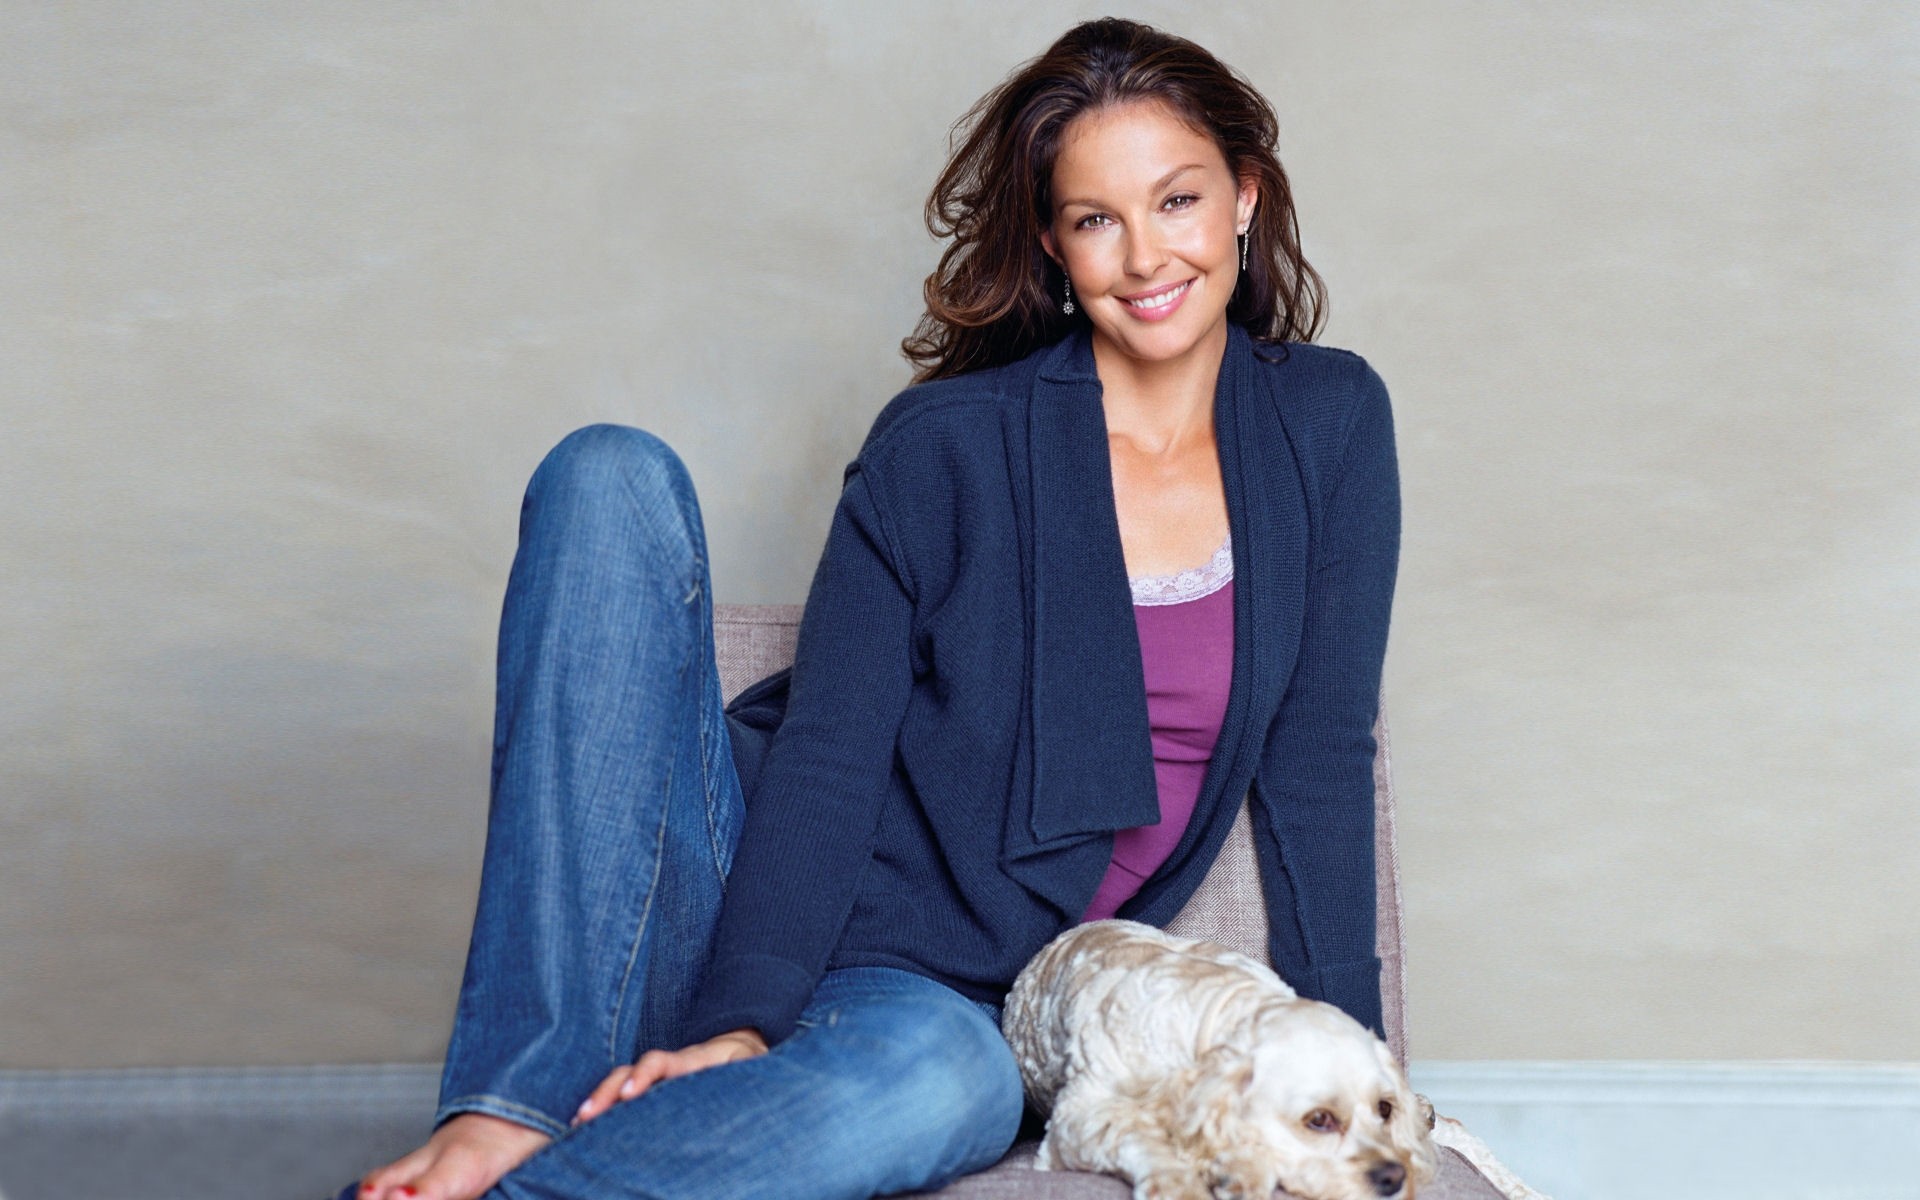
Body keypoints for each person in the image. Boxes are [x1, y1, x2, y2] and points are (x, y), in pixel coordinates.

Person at [345, 16, 1397, 1200]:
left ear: (1245, 195)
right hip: (706, 875)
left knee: (948, 1085)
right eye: (1096, 218)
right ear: (1052, 243)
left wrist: (1361, 1066)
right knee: (609, 475)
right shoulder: (943, 446)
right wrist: (742, 1017)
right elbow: (833, 748)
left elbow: (1319, 755)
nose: (1146, 256)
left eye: (1178, 200)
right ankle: (508, 1105)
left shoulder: (1329, 425)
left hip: (928, 989)